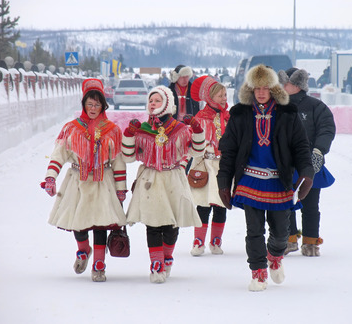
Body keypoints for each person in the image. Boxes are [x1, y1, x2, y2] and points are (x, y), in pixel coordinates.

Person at [217, 64, 314, 291]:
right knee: (254, 230)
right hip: (249, 181)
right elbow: (228, 150)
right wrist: (224, 182)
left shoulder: (287, 114)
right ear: (250, 89)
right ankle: (258, 272)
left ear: (273, 89)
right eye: (256, 88)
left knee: (282, 234)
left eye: (265, 87)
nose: (261, 92)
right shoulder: (240, 114)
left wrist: (307, 174)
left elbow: (301, 147)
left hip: (278, 182)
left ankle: (275, 255)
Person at [41, 78, 127, 282]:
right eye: (90, 104)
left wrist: (120, 188)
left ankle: (99, 264)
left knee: (100, 223)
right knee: (78, 222)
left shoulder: (112, 130)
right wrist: (50, 178)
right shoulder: (71, 128)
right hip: (77, 181)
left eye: (97, 104)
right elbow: (58, 155)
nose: (93, 108)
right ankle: (83, 249)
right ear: (83, 104)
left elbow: (118, 162)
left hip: (102, 182)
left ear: (103, 106)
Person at [121, 85, 205, 283]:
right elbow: (128, 156)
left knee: (171, 226)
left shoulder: (179, 129)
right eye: (150, 100)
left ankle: (167, 256)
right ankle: (156, 264)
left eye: (157, 100)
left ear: (167, 104)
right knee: (152, 223)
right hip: (150, 179)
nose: (153, 104)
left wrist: (197, 129)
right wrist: (129, 134)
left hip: (173, 178)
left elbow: (197, 152)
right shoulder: (142, 129)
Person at [278, 68, 336, 257]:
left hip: (310, 164)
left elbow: (326, 128)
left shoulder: (316, 106)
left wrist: (319, 151)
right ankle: (289, 239)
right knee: (285, 203)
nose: (281, 86)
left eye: (284, 83)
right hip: (284, 164)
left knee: (310, 204)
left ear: (295, 84)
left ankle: (311, 242)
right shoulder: (277, 106)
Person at [187, 76, 230, 256]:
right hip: (204, 165)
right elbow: (192, 142)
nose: (224, 99)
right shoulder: (200, 118)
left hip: (223, 166)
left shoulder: (228, 117)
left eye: (225, 95)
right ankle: (198, 241)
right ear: (210, 97)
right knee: (203, 204)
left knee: (221, 203)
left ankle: (216, 241)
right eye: (220, 95)